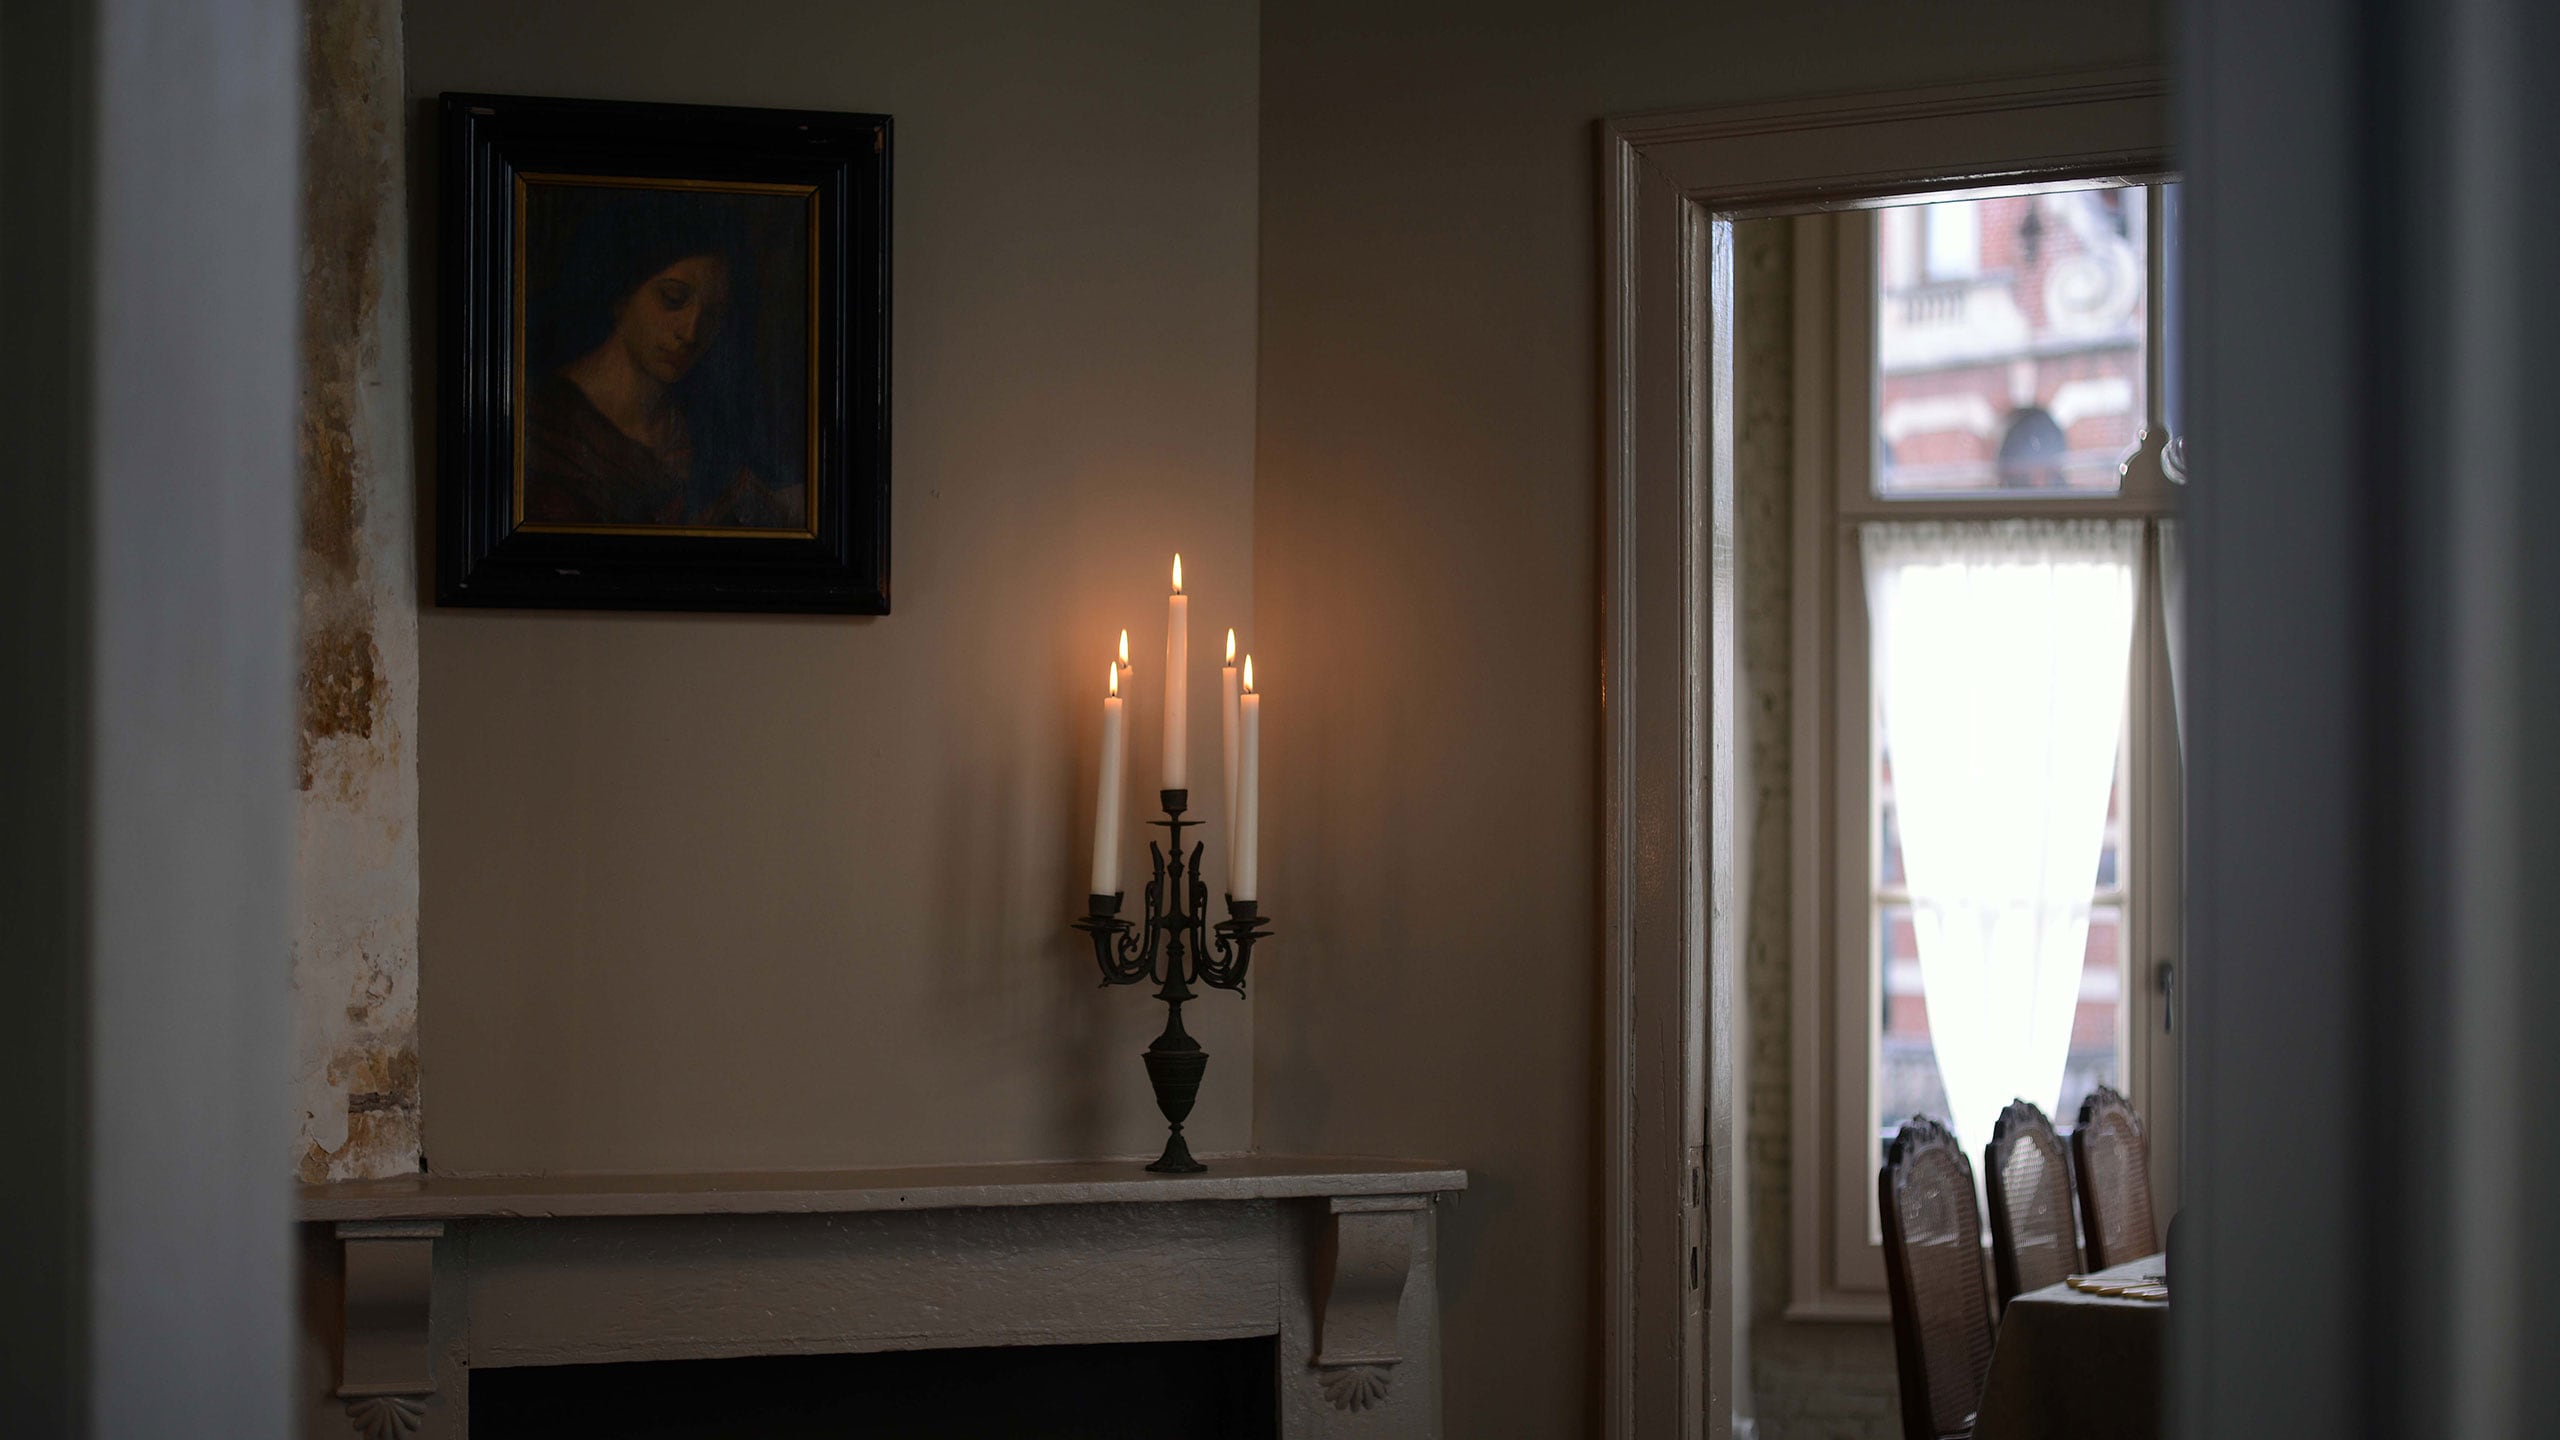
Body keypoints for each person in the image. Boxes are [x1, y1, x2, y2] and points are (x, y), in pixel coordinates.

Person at [521, 195, 805, 530]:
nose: (691, 332)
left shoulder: (702, 425)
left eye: (713, 315)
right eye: (673, 299)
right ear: (623, 293)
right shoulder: (545, 423)